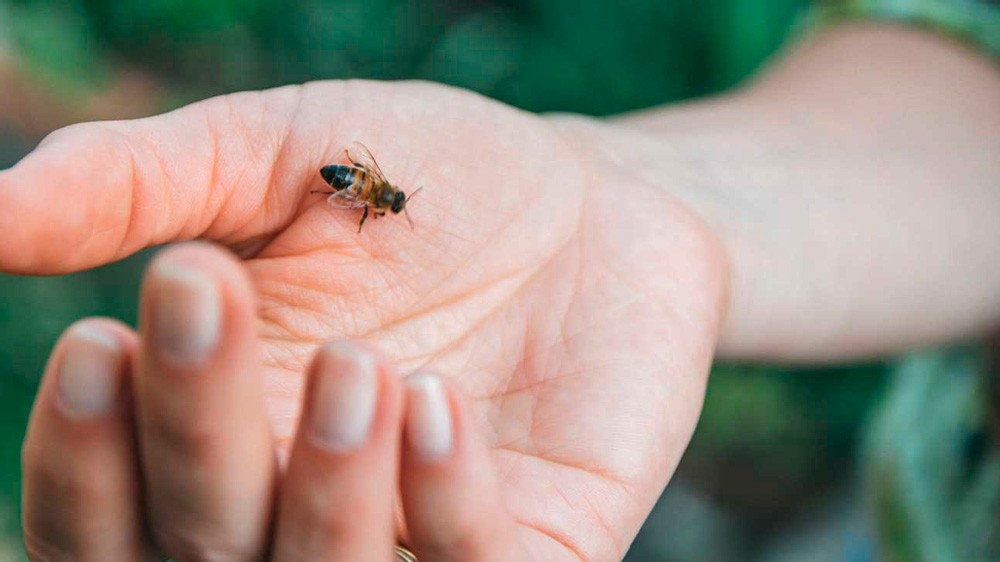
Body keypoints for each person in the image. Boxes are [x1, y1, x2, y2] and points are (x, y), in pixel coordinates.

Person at [6, 2, 999, 561]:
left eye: (377, 198)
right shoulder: (367, 189)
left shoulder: (370, 192)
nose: (379, 201)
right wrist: (632, 197)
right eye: (382, 199)